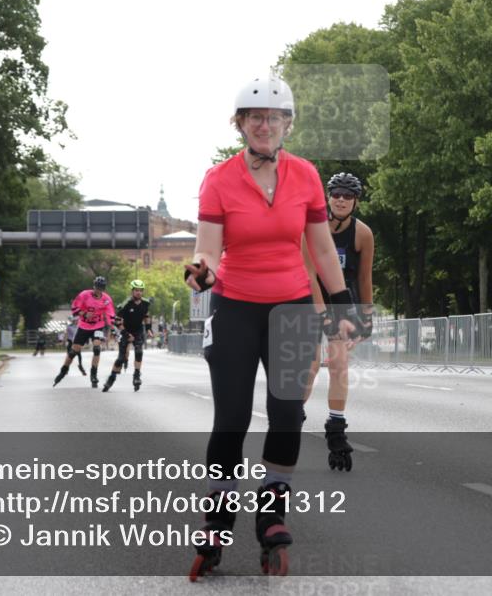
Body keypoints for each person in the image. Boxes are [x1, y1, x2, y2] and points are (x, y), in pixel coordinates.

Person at [184, 74, 366, 580]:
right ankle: (217, 522)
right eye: (255, 117)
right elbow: (208, 248)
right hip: (234, 306)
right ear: (240, 124)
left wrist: (343, 305)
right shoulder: (218, 179)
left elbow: (322, 248)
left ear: (288, 123)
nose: (265, 126)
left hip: (290, 305)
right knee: (232, 418)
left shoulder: (307, 176)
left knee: (287, 413)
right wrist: (200, 270)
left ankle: (272, 516)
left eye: (274, 117)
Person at [303, 172, 375, 472]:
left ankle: (336, 429)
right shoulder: (310, 228)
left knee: (339, 364)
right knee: (309, 366)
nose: (341, 200)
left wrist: (367, 316)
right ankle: (292, 417)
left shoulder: (363, 234)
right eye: (336, 194)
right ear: (328, 198)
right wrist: (322, 315)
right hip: (308, 298)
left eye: (348, 195)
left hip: (343, 301)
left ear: (355, 201)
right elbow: (309, 274)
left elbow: (363, 277)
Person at [54, 276, 115, 388]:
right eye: (97, 287)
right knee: (73, 352)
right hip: (84, 326)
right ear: (94, 286)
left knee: (97, 348)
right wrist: (85, 314)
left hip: (98, 326)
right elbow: (74, 308)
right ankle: (63, 370)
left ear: (104, 288)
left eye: (101, 288)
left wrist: (110, 328)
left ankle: (93, 374)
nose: (98, 290)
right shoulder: (84, 295)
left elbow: (110, 314)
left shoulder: (106, 299)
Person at [104, 279, 153, 392]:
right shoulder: (125, 304)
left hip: (138, 330)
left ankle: (136, 376)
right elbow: (117, 322)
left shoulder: (146, 303)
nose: (139, 293)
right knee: (121, 359)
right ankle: (111, 378)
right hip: (125, 330)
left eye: (141, 291)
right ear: (132, 291)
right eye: (136, 290)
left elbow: (146, 316)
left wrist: (149, 328)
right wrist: (126, 334)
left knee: (139, 352)